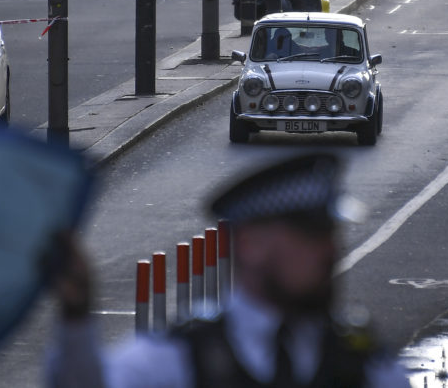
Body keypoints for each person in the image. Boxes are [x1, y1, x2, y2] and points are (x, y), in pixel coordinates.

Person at [47, 152, 410, 388]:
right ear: (250, 244)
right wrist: (76, 322)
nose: (330, 250)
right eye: (310, 235)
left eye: (331, 233)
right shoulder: (176, 363)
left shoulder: (368, 368)